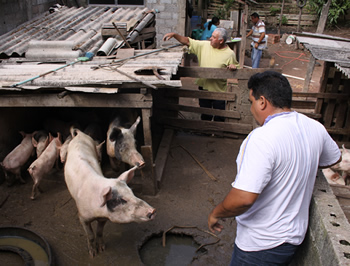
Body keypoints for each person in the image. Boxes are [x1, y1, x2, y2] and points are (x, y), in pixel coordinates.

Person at [208, 71, 342, 265]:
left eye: (251, 101)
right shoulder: (314, 127)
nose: (251, 108)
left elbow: (243, 199)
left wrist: (216, 213)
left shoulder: (261, 138)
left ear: (262, 102)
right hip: (292, 238)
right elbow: (333, 158)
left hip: (260, 244)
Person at [163, 28, 239, 122]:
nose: (210, 38)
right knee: (205, 113)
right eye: (211, 36)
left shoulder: (230, 54)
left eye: (214, 37)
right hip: (204, 87)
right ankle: (205, 132)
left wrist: (233, 67)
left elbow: (237, 68)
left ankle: (217, 133)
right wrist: (174, 35)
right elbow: (187, 41)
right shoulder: (204, 46)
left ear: (221, 41)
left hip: (219, 90)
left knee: (219, 115)